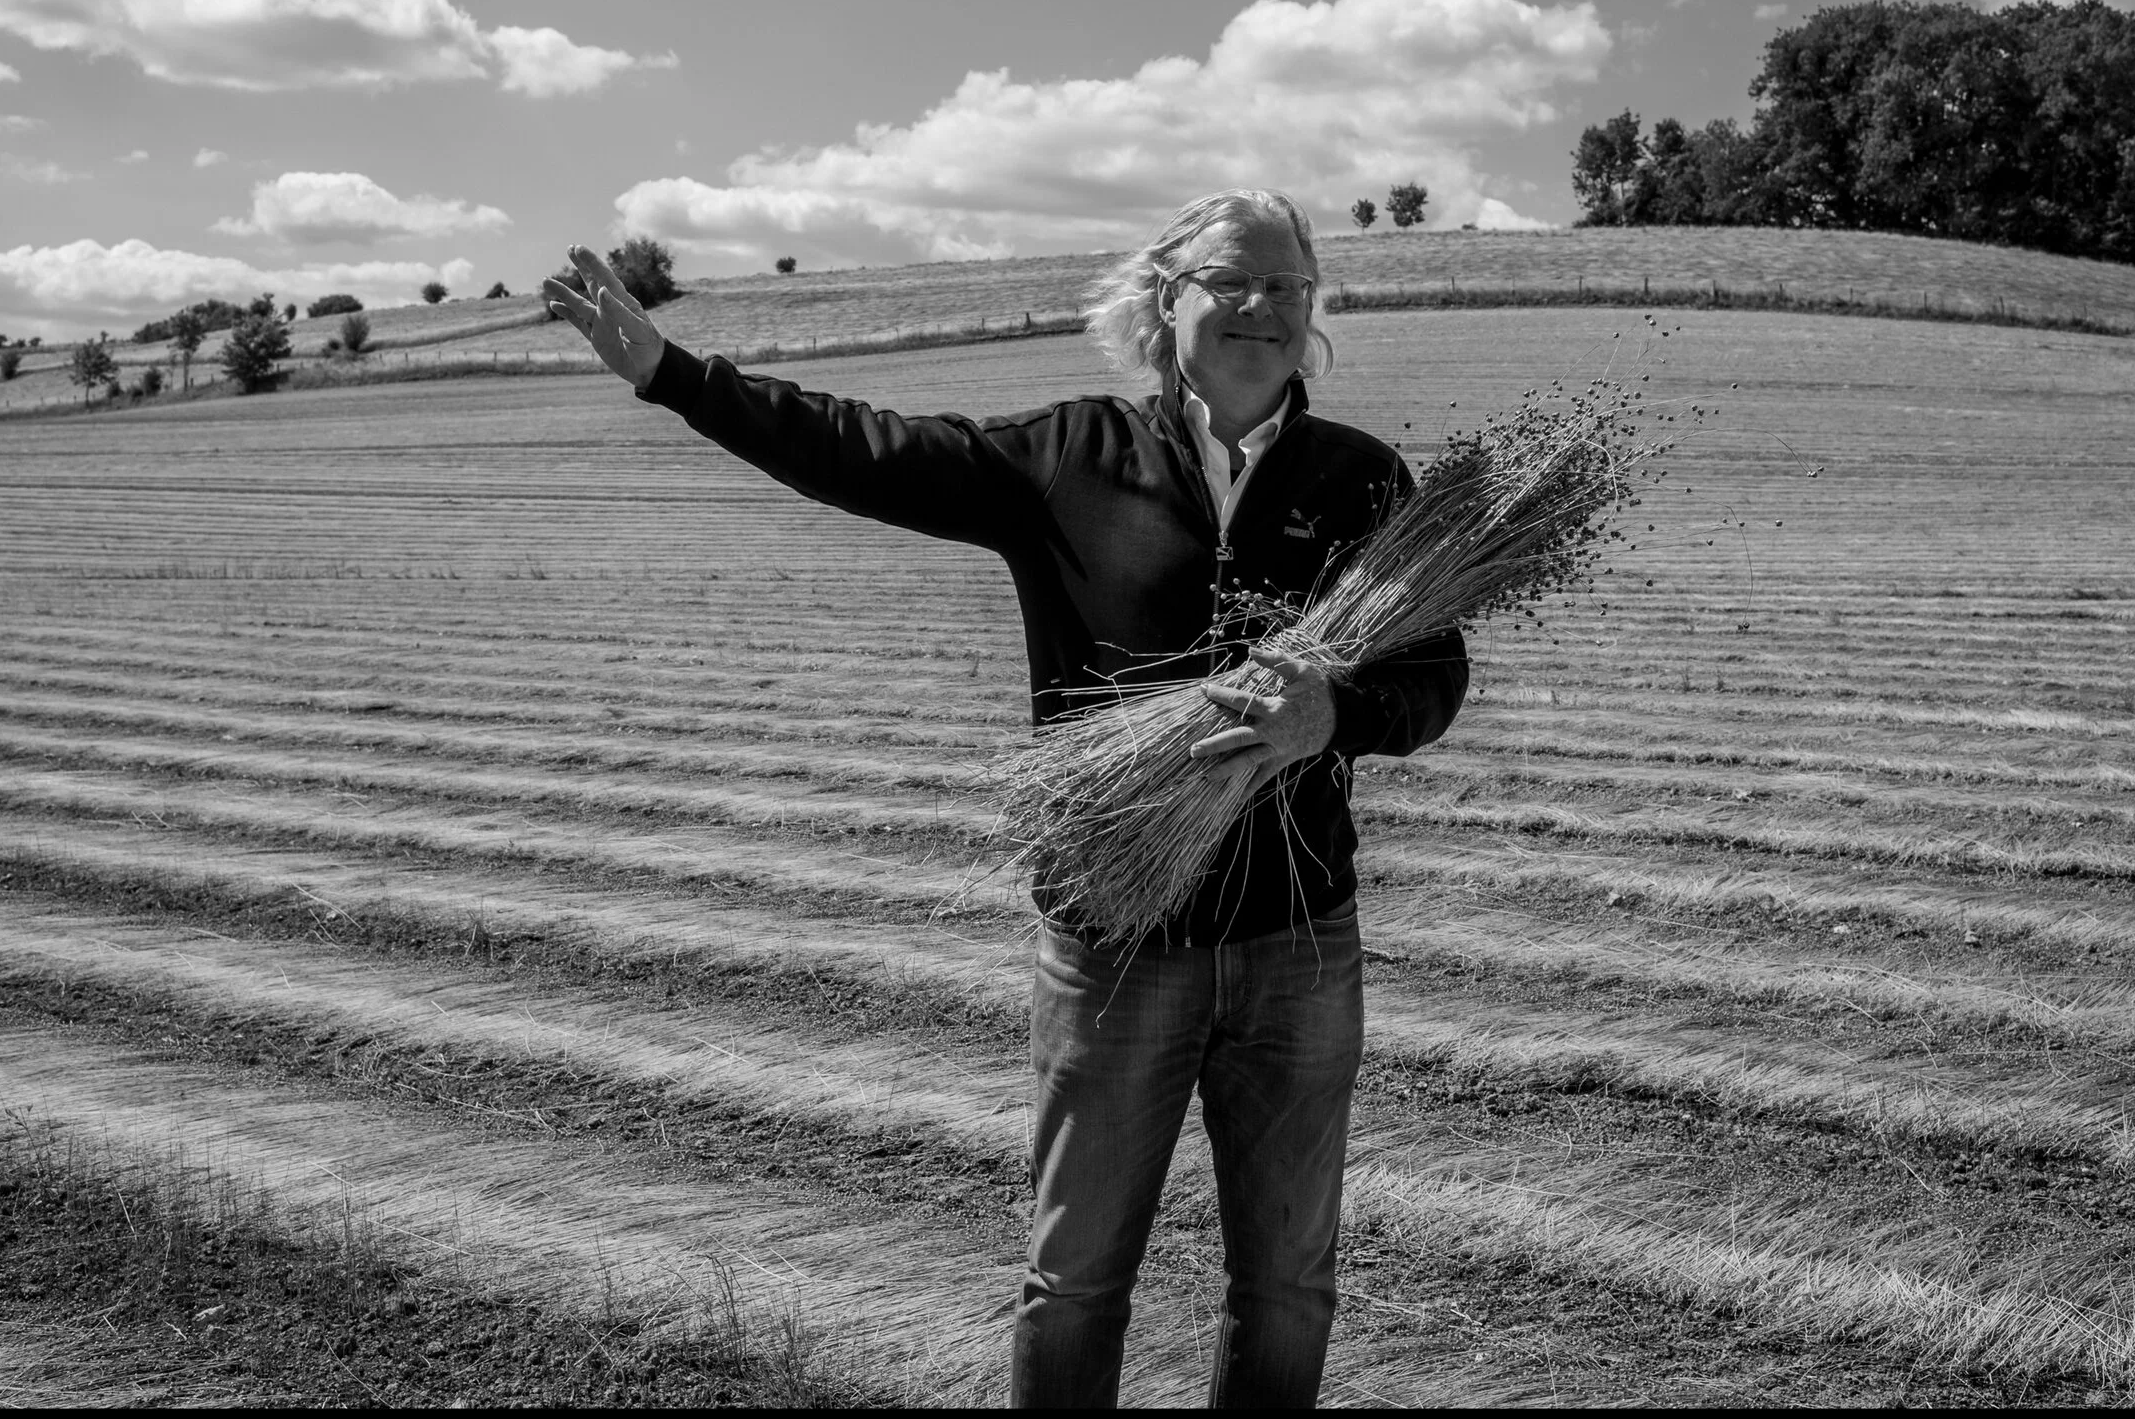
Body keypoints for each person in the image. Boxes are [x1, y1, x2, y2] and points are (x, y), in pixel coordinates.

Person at [546, 188, 1467, 1408]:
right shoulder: (1067, 457)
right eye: (1234, 280)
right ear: (1166, 296)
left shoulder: (1361, 479)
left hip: (1298, 940)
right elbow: (861, 449)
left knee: (1288, 1283)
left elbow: (1432, 674)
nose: (1265, 307)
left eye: (1289, 286)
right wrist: (675, 374)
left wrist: (1332, 718)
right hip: (1115, 941)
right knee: (1074, 1277)